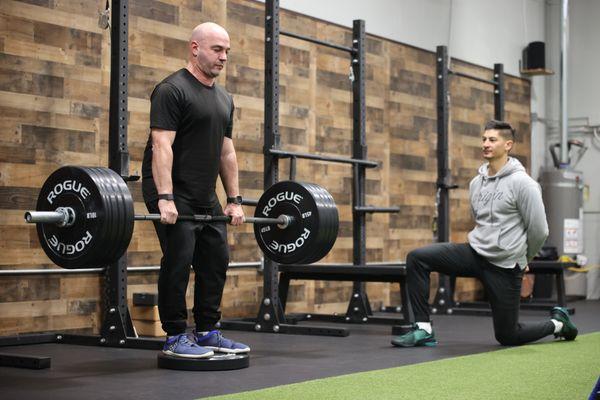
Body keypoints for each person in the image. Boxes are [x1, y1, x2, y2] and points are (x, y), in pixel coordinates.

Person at [391, 120, 578, 347]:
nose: (486, 144)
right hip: (475, 253)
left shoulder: (524, 184)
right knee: (418, 258)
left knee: (508, 336)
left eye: (492, 139)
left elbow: (540, 230)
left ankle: (558, 324)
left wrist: (524, 258)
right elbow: (479, 221)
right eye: (484, 139)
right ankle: (423, 328)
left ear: (508, 144)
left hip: (505, 265)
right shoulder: (475, 183)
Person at [141, 22, 250, 358]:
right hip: (173, 191)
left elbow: (226, 152)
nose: (223, 57)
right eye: (217, 49)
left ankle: (206, 331)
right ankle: (175, 336)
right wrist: (165, 197)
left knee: (216, 259)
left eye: (227, 51)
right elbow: (162, 145)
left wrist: (233, 200)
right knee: (179, 259)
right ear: (195, 47)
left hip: (204, 192)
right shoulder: (171, 90)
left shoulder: (224, 98)